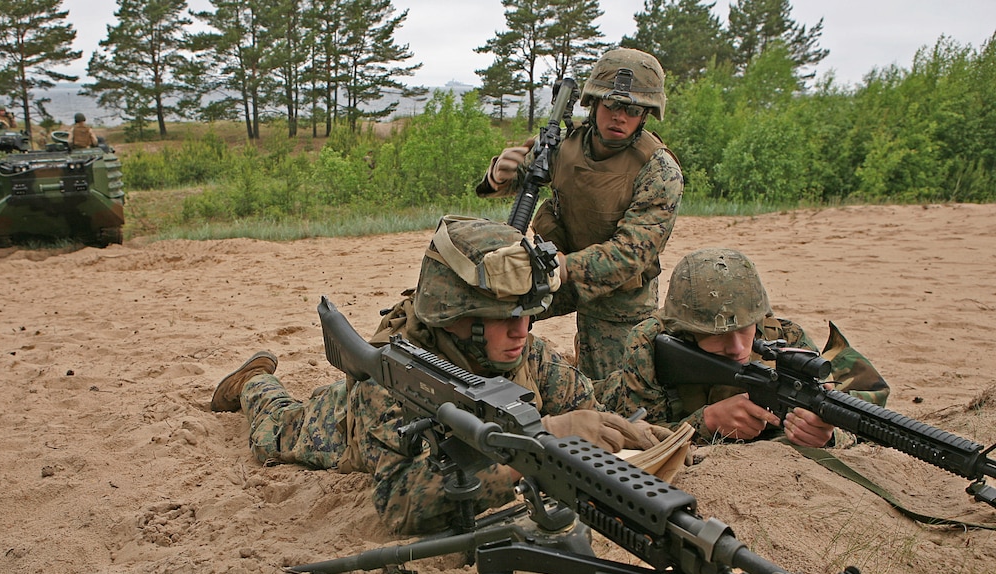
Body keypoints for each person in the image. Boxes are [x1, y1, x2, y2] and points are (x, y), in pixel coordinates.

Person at [211, 215, 677, 535]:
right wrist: (539, 447)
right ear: (456, 315)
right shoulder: (390, 381)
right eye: (505, 317)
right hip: (345, 429)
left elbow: (590, 410)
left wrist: (643, 436)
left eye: (528, 316)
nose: (523, 331)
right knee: (275, 428)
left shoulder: (525, 354)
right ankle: (253, 380)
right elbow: (399, 503)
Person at [476, 48, 684, 381]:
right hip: (557, 268)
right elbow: (522, 178)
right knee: (485, 315)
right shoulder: (564, 144)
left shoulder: (658, 170)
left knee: (612, 395)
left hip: (619, 299)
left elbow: (631, 253)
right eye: (611, 105)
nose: (619, 117)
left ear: (645, 114)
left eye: (632, 109)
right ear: (593, 104)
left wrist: (565, 266)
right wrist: (499, 176)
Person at [594, 247, 890, 447]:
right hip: (607, 400)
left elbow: (847, 422)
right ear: (685, 330)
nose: (737, 348)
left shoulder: (786, 341)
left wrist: (826, 434)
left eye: (744, 329)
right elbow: (639, 437)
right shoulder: (649, 344)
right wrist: (707, 422)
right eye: (718, 335)